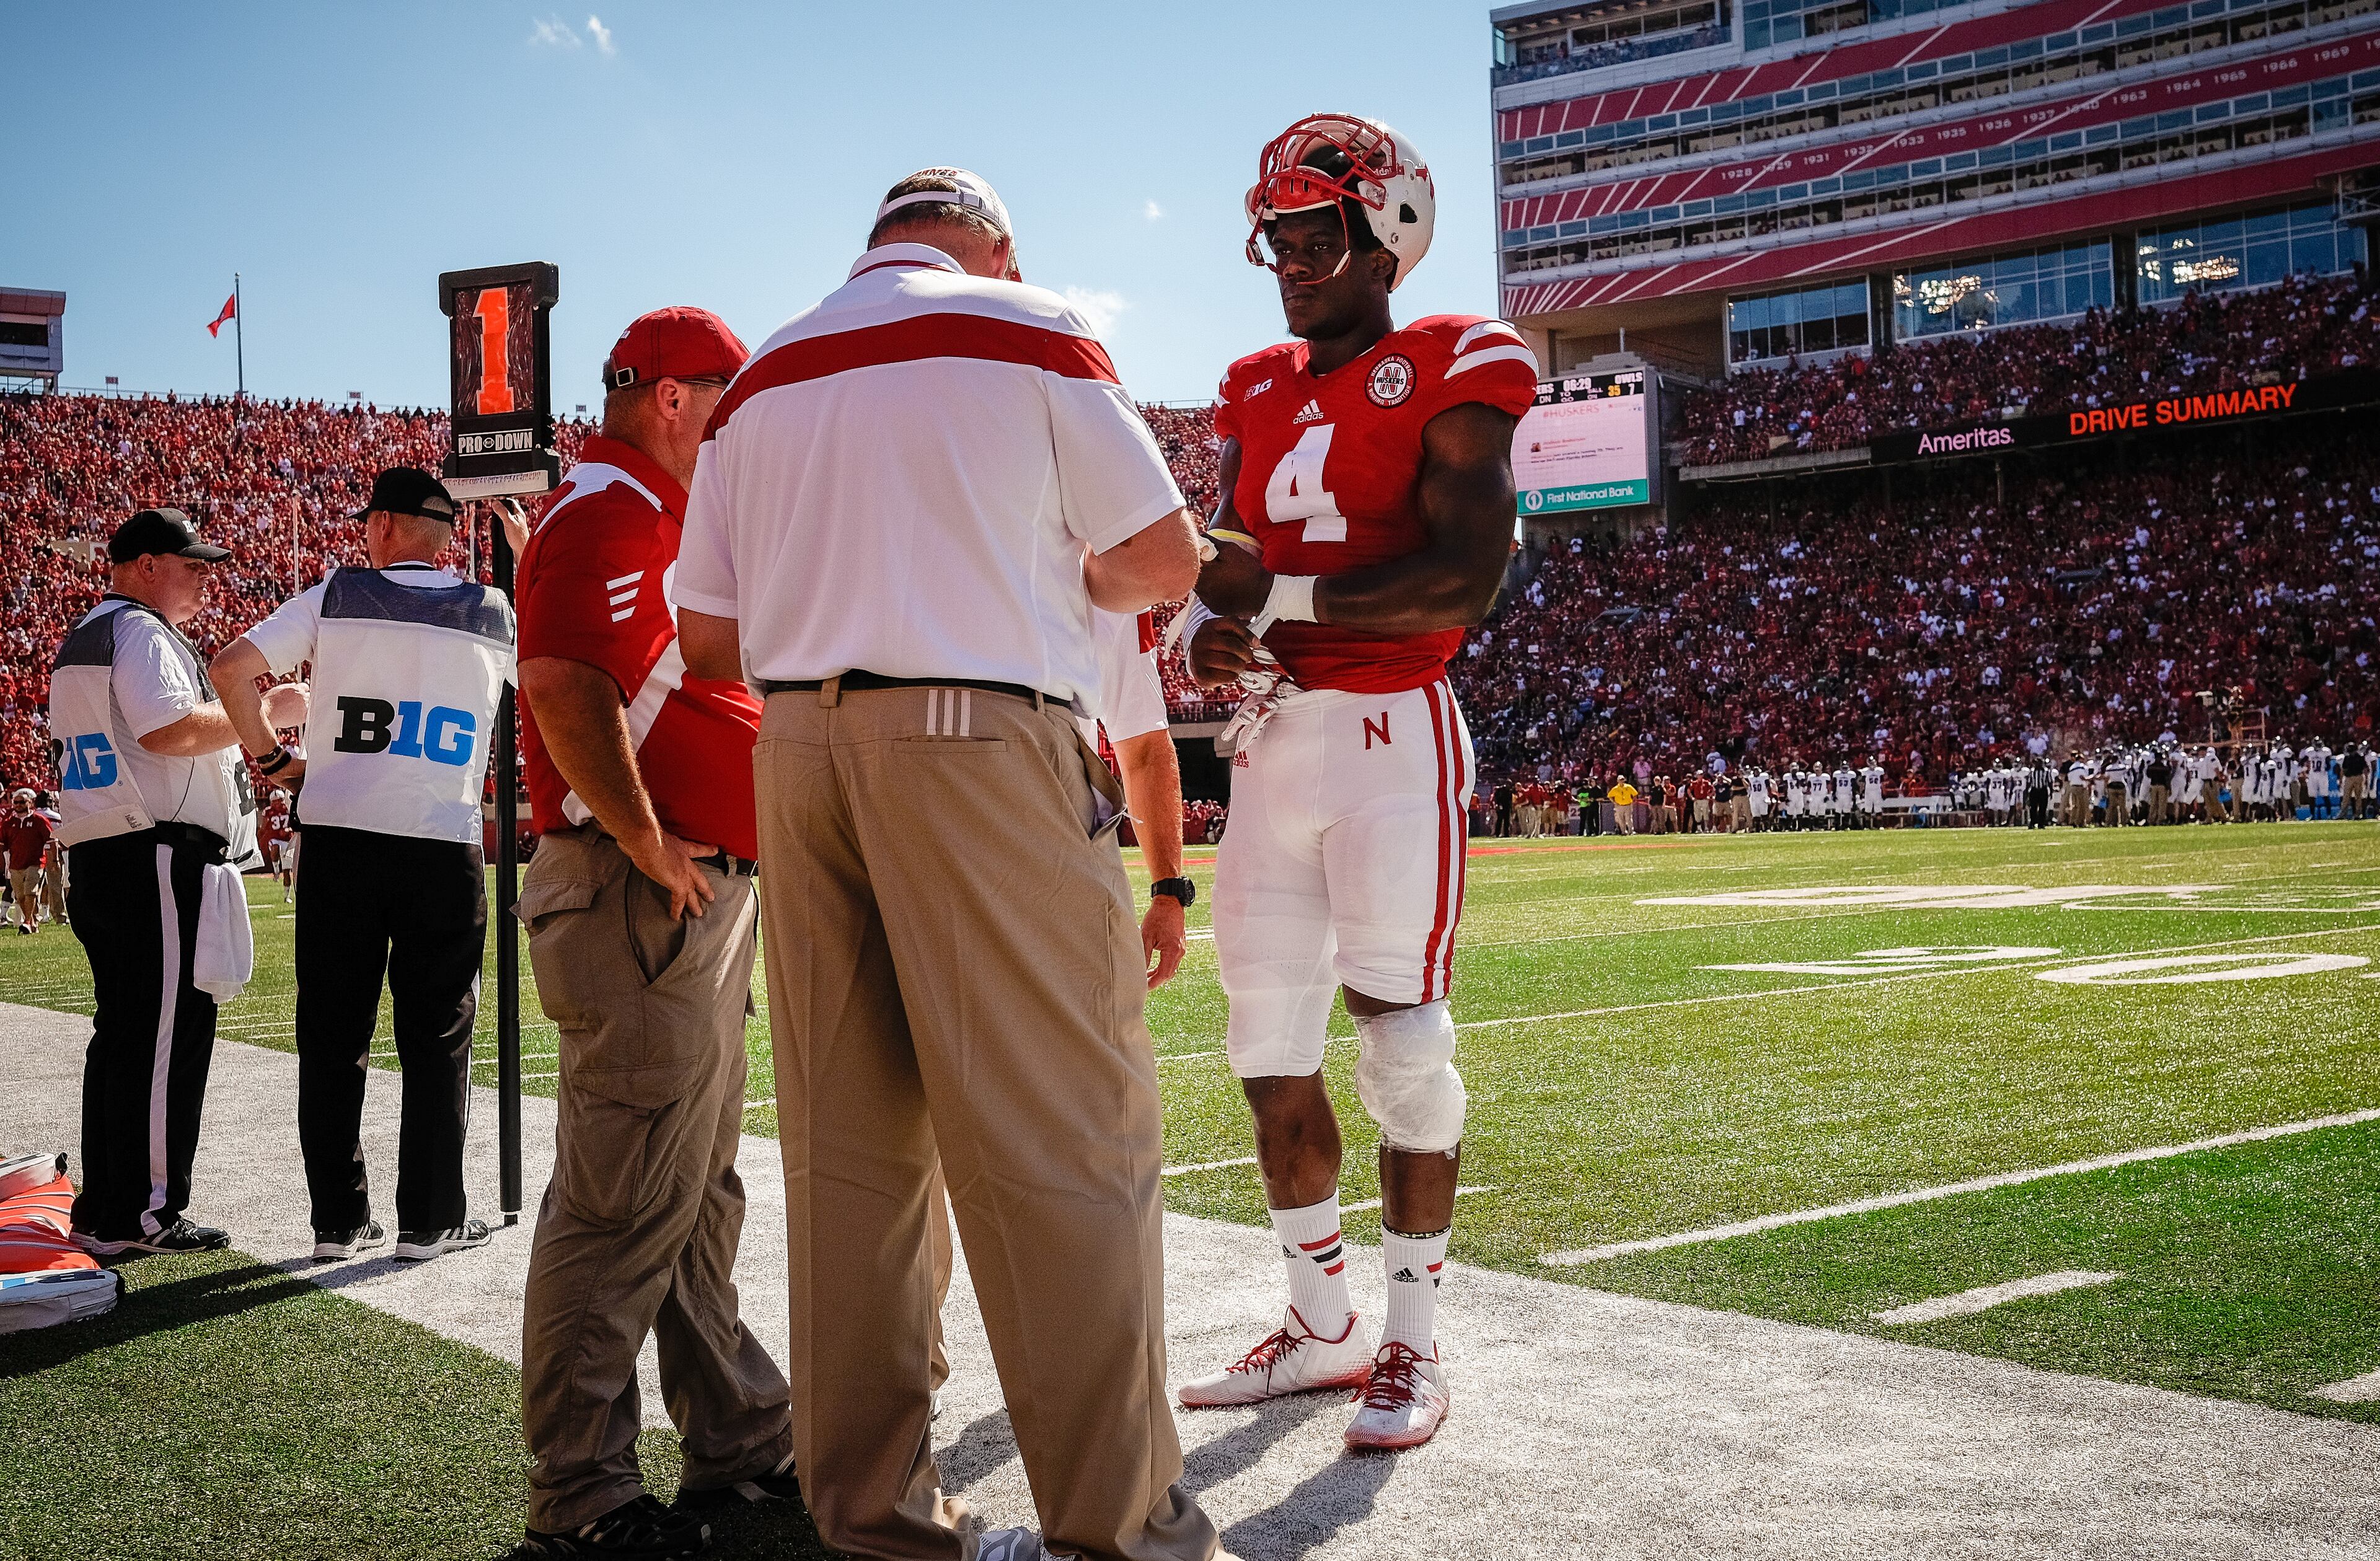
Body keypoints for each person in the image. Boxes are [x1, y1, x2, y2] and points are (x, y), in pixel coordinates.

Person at [671, 170, 1216, 1561]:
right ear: (993, 242)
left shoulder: (763, 374)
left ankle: (870, 1514)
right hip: (980, 737)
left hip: (796, 750)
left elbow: (714, 638)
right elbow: (1161, 555)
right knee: (1063, 1137)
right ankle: (1121, 1528)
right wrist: (1056, 575)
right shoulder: (1031, 323)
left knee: (848, 1156)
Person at [1175, 113, 1535, 1453]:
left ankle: (1416, 1341)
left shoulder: (1454, 357)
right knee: (1264, 1040)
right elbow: (1227, 556)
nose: (1291, 259)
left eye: (1316, 230)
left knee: (1405, 1045)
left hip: (1393, 731)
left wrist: (1283, 595)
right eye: (1277, 235)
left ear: (1386, 226)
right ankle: (1321, 1320)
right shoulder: (1255, 384)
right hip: (1277, 741)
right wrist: (1209, 624)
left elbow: (1464, 574)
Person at [508, 308, 799, 1561]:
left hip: (683, 900)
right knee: (624, 1193)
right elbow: (565, 682)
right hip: (641, 897)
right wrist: (642, 837)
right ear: (674, 397)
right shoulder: (611, 510)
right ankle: (580, 1492)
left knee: (694, 1187)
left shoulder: (647, 510)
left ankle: (738, 1434)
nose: (735, 427)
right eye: (724, 401)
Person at [213, 468, 511, 1267]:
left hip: (342, 834)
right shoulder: (492, 610)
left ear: (383, 525)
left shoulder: (334, 594)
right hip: (441, 836)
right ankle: (430, 1218)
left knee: (333, 1033)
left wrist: (274, 758)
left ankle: (337, 1221)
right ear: (445, 535)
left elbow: (229, 666)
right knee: (438, 1030)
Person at [51, 508, 258, 1256]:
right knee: (165, 1035)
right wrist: (257, 713)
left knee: (125, 1034)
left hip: (108, 850)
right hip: (154, 853)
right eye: (191, 564)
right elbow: (167, 730)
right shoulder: (138, 631)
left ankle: (108, 1204)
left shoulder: (90, 633)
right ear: (144, 565)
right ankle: (144, 1210)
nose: (205, 578)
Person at [5, 788, 52, 933]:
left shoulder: (39, 820)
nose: (18, 805)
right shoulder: (9, 823)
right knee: (20, 896)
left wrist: (54, 860)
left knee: (30, 892)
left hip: (36, 862)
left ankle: (26, 922)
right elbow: (3, 844)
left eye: (22, 802)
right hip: (16, 863)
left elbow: (51, 839)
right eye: (16, 802)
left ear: (30, 803)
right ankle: (32, 921)